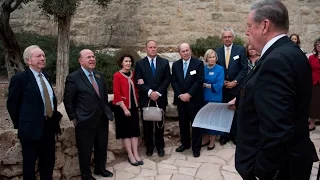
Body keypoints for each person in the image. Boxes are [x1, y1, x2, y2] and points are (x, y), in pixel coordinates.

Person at [235, 0, 317, 179]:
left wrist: (262, 172)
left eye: (249, 26)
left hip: (280, 170)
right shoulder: (292, 52)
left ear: (265, 25)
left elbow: (277, 129)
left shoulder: (275, 61)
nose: (246, 31)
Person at [7, 45, 62, 180]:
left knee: (48, 162)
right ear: (28, 60)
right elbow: (12, 105)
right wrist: (22, 124)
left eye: (43, 56)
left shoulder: (46, 76)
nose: (43, 58)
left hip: (49, 127)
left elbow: (50, 100)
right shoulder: (20, 79)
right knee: (30, 165)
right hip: (30, 130)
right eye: (38, 56)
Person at [63, 49, 113, 180]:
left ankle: (100, 169)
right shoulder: (73, 77)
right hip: (84, 120)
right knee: (85, 149)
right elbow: (68, 100)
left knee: (101, 145)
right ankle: (86, 175)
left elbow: (104, 96)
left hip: (102, 118)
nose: (92, 59)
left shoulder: (99, 75)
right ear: (80, 60)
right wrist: (73, 118)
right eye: (88, 57)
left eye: (93, 56)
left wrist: (106, 109)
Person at [134, 40, 171, 157]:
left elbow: (167, 79)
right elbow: (138, 81)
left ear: (157, 48)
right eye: (150, 47)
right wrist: (150, 92)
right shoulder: (140, 64)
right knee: (147, 126)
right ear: (146, 49)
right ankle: (149, 147)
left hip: (160, 98)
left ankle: (160, 147)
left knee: (160, 125)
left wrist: (158, 92)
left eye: (154, 47)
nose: (153, 49)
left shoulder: (164, 62)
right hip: (146, 99)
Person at [215, 28, 247, 145]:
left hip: (236, 87)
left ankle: (235, 135)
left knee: (236, 111)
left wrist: (235, 81)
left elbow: (244, 68)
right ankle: (225, 135)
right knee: (224, 111)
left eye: (229, 37)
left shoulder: (240, 50)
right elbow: (216, 68)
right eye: (225, 37)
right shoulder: (217, 51)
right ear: (222, 38)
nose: (227, 39)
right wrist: (221, 81)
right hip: (223, 87)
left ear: (233, 37)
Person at [171, 43, 204, 157]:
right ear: (179, 53)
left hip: (194, 100)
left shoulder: (198, 63)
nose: (185, 53)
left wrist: (189, 94)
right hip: (181, 100)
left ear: (190, 50)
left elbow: (199, 81)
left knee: (196, 125)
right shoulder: (175, 65)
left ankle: (196, 148)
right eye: (183, 51)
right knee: (183, 123)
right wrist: (180, 94)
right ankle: (185, 144)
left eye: (187, 50)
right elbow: (174, 81)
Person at [112, 54, 142, 166]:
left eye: (130, 61)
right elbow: (117, 93)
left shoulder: (133, 74)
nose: (128, 63)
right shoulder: (117, 75)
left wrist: (141, 82)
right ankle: (130, 155)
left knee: (134, 131)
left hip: (133, 107)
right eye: (126, 61)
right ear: (121, 63)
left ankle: (136, 153)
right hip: (122, 108)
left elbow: (137, 87)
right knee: (126, 132)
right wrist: (124, 109)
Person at [201, 49, 224, 150]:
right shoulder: (203, 68)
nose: (212, 59)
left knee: (214, 120)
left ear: (216, 58)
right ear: (206, 58)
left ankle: (212, 141)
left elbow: (219, 85)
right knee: (205, 119)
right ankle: (205, 138)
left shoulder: (220, 69)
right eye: (210, 57)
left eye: (213, 57)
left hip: (215, 98)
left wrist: (206, 85)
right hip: (204, 98)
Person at [308, 38, 320, 131]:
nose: (319, 46)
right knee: (313, 103)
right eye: (318, 44)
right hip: (314, 82)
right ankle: (312, 124)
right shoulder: (311, 57)